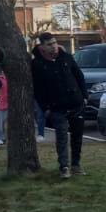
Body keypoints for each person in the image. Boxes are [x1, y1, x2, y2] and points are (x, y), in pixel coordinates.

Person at [31, 32, 88, 178]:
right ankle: (64, 166)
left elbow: (79, 76)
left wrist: (85, 97)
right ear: (42, 47)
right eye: (49, 44)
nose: (54, 46)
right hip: (56, 107)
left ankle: (76, 165)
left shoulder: (66, 57)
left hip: (76, 103)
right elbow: (37, 89)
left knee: (77, 136)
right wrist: (45, 108)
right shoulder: (37, 64)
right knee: (62, 136)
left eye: (55, 42)